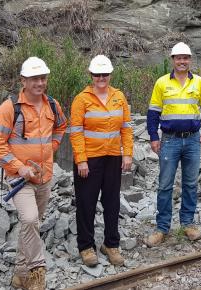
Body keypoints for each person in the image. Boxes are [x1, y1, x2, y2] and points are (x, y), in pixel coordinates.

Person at [0, 56, 67, 290]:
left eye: (43, 78)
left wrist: (52, 148)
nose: (39, 83)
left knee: (32, 224)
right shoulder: (9, 108)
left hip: (44, 177)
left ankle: (19, 274)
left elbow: (61, 127)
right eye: (34, 78)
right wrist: (18, 166)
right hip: (20, 180)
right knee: (30, 219)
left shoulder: (53, 105)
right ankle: (36, 273)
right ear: (23, 80)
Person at [145, 42, 201, 247]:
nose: (182, 61)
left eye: (186, 57)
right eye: (179, 58)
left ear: (190, 60)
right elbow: (153, 113)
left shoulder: (199, 83)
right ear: (173, 60)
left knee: (191, 184)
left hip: (193, 140)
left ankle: (188, 223)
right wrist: (153, 137)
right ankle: (162, 228)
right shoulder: (161, 83)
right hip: (169, 140)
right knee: (165, 184)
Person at [70, 55, 133, 266]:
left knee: (112, 202)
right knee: (86, 203)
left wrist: (127, 153)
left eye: (105, 74)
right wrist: (81, 160)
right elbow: (76, 132)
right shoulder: (82, 99)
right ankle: (86, 247)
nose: (101, 78)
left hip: (113, 158)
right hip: (89, 160)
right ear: (91, 75)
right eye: (97, 74)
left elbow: (126, 127)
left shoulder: (119, 96)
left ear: (110, 74)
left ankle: (110, 244)